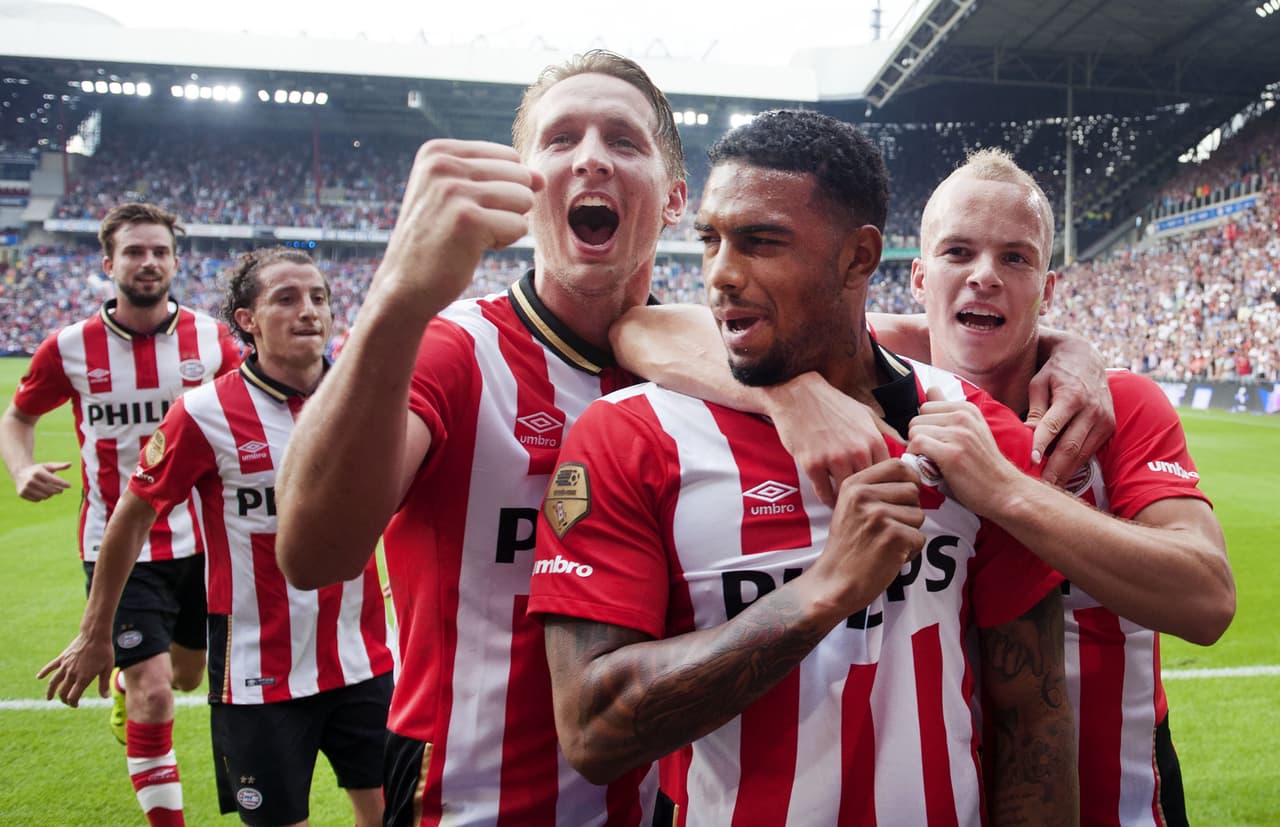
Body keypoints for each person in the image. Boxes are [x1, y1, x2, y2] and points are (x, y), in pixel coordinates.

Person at [527, 110, 1078, 826]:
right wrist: (822, 592)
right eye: (711, 239)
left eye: (761, 242)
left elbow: (1032, 721)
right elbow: (592, 728)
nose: (722, 274)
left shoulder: (968, 430)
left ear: (858, 257)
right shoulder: (628, 435)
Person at [273, 50, 691, 825]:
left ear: (673, 200)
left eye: (624, 141)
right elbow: (311, 553)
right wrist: (398, 293)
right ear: (526, 187)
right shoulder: (455, 348)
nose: (592, 156)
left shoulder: (705, 376)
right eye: (560, 139)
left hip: (660, 801)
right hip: (464, 802)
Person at [901, 148, 1234, 826]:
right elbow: (658, 327)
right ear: (916, 276)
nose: (985, 276)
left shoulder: (1122, 406)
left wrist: (1010, 492)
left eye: (1016, 258)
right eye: (957, 252)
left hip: (1117, 801)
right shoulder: (876, 396)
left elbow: (1207, 598)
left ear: (1047, 289)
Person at [39, 247, 395, 827]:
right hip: (258, 671)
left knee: (388, 814)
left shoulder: (368, 397)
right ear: (247, 320)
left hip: (364, 656)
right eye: (286, 298)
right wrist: (95, 632)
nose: (308, 311)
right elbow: (132, 515)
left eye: (319, 298)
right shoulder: (204, 413)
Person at [2, 202, 239, 827]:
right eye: (134, 252)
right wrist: (22, 467)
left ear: (176, 261)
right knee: (156, 694)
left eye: (159, 251)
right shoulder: (70, 348)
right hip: (118, 545)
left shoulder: (211, 340)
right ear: (109, 264)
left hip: (205, 543)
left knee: (187, 676)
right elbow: (18, 417)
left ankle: (126, 685)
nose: (148, 262)